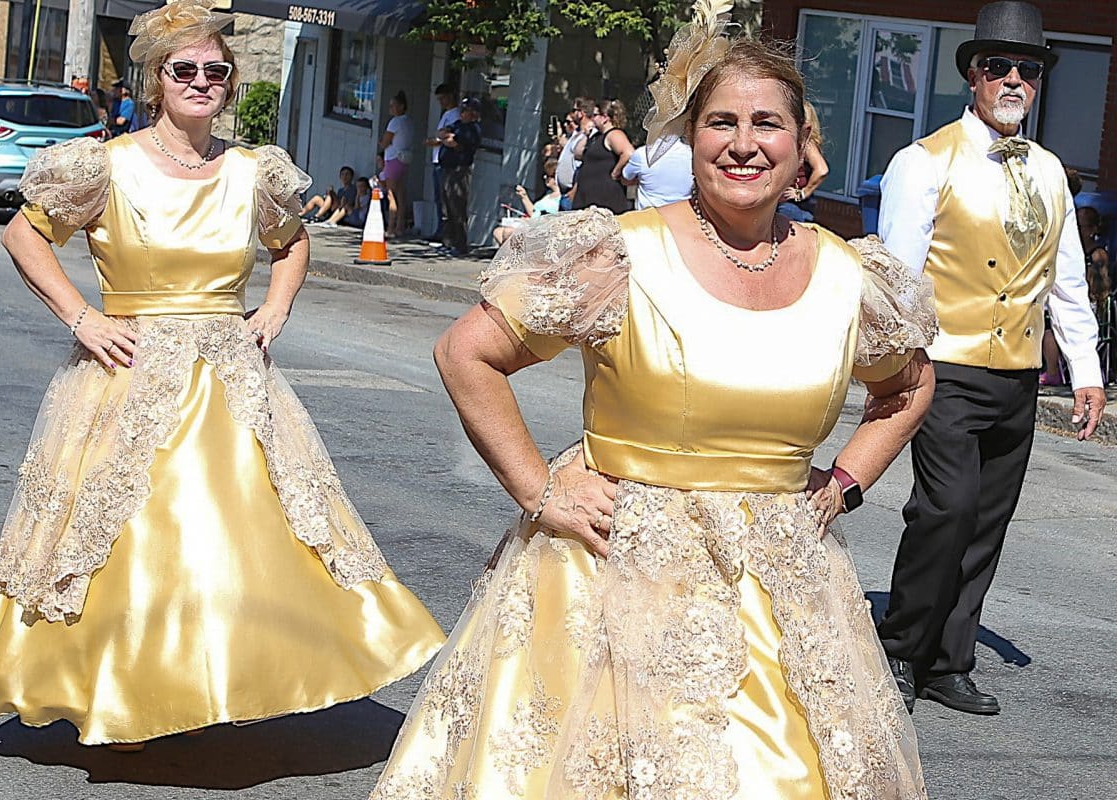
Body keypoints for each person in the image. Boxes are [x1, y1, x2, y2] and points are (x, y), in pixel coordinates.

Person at [371, 14, 934, 799]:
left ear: (803, 143)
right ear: (690, 138)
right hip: (614, 578)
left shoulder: (849, 278)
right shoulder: (621, 253)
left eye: (767, 123)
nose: (744, 144)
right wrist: (541, 490)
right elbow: (467, 353)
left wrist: (842, 485)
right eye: (721, 123)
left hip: (783, 591)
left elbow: (908, 387)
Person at [0, 0, 444, 750]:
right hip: (126, 374)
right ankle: (124, 688)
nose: (201, 81)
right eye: (183, 69)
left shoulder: (254, 171)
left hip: (231, 378)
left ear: (229, 83)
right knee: (134, 537)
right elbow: (25, 233)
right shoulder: (106, 164)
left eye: (215, 71)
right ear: (157, 80)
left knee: (241, 536)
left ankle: (223, 681)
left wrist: (276, 310)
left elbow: (291, 245)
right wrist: (81, 317)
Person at [876, 0, 1105, 717]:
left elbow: (1065, 280)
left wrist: (1087, 372)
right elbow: (898, 277)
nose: (1013, 80)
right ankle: (901, 648)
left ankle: (949, 660)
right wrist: (896, 368)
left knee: (987, 522)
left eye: (1027, 70)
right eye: (998, 67)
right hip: (943, 366)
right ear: (972, 76)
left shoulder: (1048, 171)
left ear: (1038, 83)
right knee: (947, 509)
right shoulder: (922, 161)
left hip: (1016, 376)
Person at [435, 97, 482, 256]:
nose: (462, 113)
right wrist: (447, 138)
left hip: (460, 170)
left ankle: (460, 244)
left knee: (457, 208)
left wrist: (450, 139)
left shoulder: (473, 129)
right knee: (446, 208)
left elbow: (455, 143)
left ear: (473, 113)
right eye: (461, 110)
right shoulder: (457, 125)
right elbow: (442, 134)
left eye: (466, 111)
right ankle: (447, 241)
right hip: (447, 168)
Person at [571, 98, 634, 214]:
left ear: (604, 117)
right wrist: (586, 135)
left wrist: (616, 172)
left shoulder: (614, 134)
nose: (592, 118)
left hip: (604, 197)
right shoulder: (596, 136)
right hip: (587, 197)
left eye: (595, 115)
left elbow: (628, 153)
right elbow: (578, 154)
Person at [778, 99, 830, 222]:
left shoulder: (808, 143)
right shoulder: (797, 142)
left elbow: (822, 170)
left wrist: (803, 193)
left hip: (792, 207)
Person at [492, 158, 561, 245]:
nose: (544, 178)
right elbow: (534, 212)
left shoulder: (559, 199)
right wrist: (524, 196)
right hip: (532, 225)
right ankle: (512, 256)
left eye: (547, 175)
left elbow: (546, 219)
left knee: (508, 232)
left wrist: (529, 221)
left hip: (541, 230)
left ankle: (514, 256)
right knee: (498, 232)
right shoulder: (549, 194)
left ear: (554, 178)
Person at [424, 83, 460, 240]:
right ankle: (441, 230)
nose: (441, 102)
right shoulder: (446, 114)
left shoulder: (454, 115)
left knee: (446, 199)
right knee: (439, 198)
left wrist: (435, 141)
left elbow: (447, 137)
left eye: (443, 98)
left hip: (445, 161)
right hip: (438, 159)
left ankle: (446, 234)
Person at [620, 134, 693, 210]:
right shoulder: (691, 153)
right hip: (684, 214)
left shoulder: (641, 154)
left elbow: (626, 179)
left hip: (648, 216)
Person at [381, 91, 414, 238]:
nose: (390, 108)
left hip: (393, 158)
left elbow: (385, 142)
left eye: (393, 105)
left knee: (391, 194)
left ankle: (391, 227)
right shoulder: (408, 121)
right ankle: (400, 226)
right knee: (401, 194)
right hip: (404, 159)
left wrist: (381, 144)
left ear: (401, 106)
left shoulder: (395, 122)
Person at [553, 96, 595, 210]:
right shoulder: (576, 133)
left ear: (581, 113)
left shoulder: (589, 134)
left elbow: (584, 165)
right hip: (564, 192)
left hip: (572, 193)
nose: (572, 114)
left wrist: (574, 191)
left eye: (574, 110)